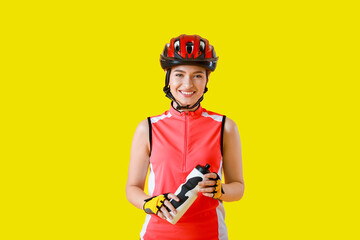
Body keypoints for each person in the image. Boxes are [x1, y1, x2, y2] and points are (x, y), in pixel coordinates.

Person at [126, 34, 244, 240]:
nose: (187, 84)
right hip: (157, 234)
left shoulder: (225, 127)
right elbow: (132, 188)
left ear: (207, 79)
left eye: (197, 75)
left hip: (210, 234)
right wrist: (149, 203)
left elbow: (238, 188)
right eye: (179, 74)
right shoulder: (148, 128)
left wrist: (220, 189)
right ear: (168, 77)